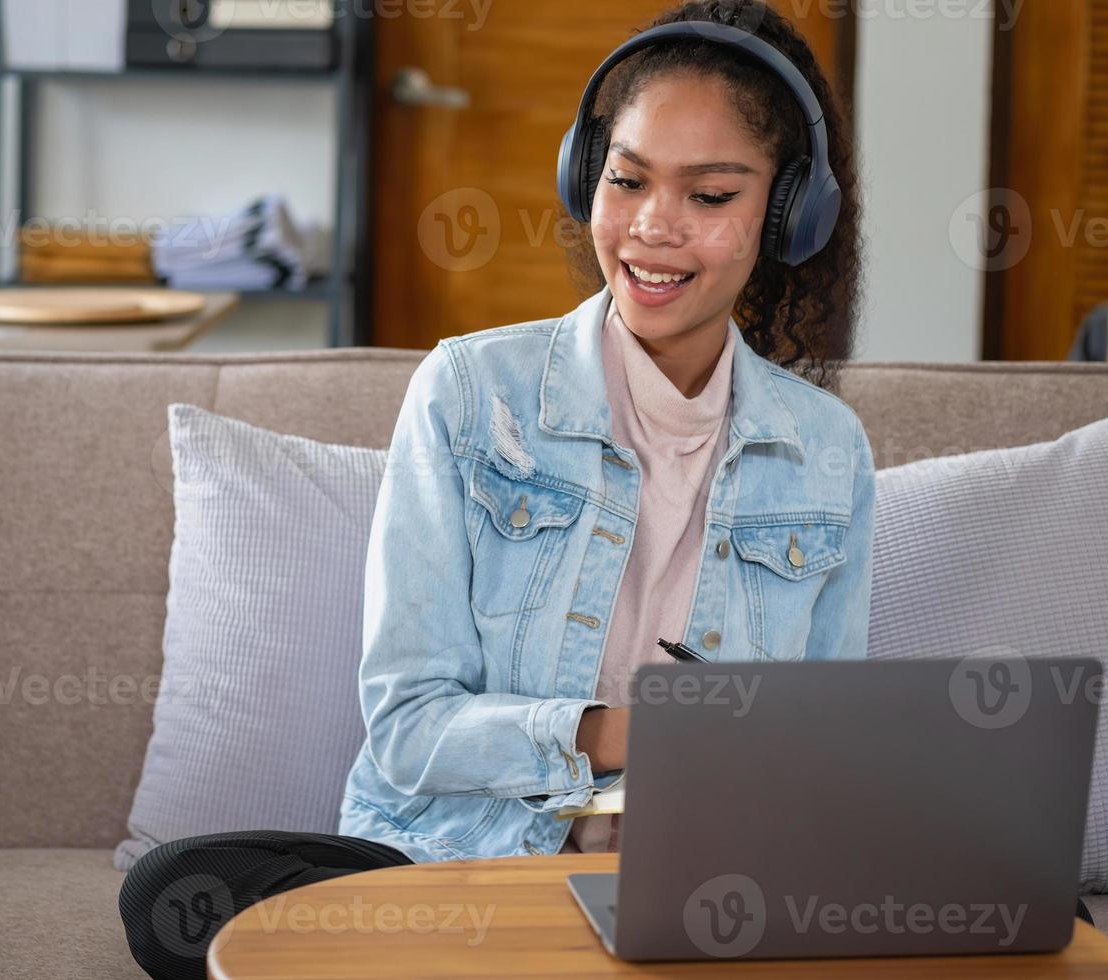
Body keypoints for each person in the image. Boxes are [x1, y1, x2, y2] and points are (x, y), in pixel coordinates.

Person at [119, 3, 882, 976]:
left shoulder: (825, 450)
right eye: (629, 177)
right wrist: (624, 734)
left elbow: (815, 758)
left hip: (693, 894)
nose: (652, 226)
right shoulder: (470, 393)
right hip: (455, 871)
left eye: (711, 195)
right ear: (585, 175)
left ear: (787, 215)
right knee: (176, 894)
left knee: (1022, 906)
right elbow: (408, 727)